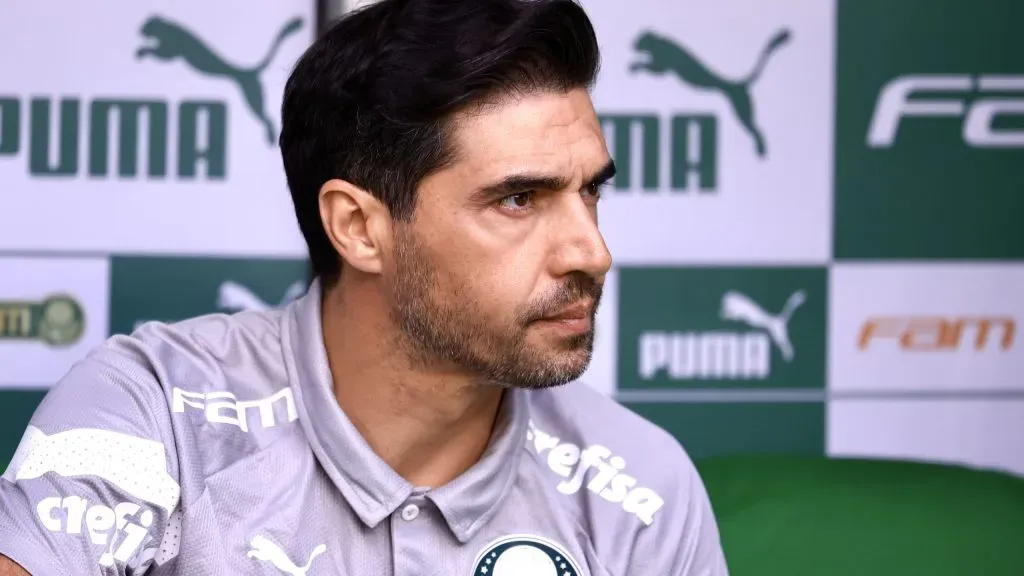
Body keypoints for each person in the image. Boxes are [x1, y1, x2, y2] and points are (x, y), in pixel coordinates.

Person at [0, 0, 728, 574]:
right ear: (357, 226)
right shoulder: (153, 408)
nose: (592, 252)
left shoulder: (641, 486)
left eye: (590, 192)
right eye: (519, 199)